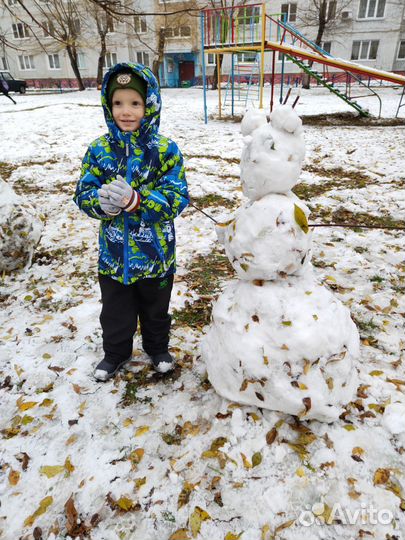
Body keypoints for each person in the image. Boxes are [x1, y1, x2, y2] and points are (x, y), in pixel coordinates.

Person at [74, 62, 189, 381]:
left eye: (135, 103)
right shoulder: (99, 150)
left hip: (156, 256)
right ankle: (116, 353)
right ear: (108, 106)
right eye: (118, 103)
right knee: (115, 313)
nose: (126, 111)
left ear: (149, 104)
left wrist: (137, 201)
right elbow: (83, 191)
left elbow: (177, 197)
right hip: (114, 258)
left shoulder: (164, 151)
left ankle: (157, 347)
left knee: (155, 310)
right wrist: (101, 203)